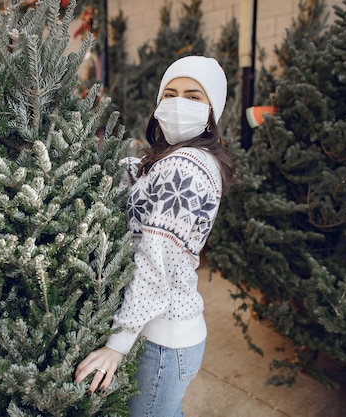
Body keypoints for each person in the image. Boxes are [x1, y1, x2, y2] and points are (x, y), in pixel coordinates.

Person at [75, 55, 235, 417]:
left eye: (194, 96)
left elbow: (154, 262)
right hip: (169, 338)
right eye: (171, 93)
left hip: (162, 342)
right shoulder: (179, 160)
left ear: (212, 110)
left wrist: (117, 344)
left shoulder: (185, 168)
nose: (179, 103)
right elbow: (139, 176)